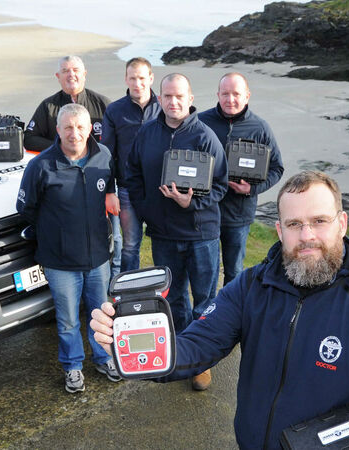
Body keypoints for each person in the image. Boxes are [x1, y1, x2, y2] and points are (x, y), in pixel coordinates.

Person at [92, 170, 349, 449]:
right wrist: (133, 348)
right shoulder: (251, 286)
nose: (307, 236)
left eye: (319, 221)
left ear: (342, 223)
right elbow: (197, 345)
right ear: (280, 231)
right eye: (294, 224)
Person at [124, 73, 227, 390]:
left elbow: (220, 185)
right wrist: (146, 210)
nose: (173, 102)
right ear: (160, 99)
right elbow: (132, 174)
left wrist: (191, 202)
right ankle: (184, 353)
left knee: (204, 300)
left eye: (179, 96)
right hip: (164, 235)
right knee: (175, 298)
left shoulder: (205, 137)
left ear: (190, 98)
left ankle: (203, 362)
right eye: (167, 96)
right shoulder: (146, 134)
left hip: (201, 234)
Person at [16, 103, 122, 393]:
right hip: (60, 261)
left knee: (101, 314)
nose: (74, 133)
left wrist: (110, 192)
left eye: (80, 127)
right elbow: (26, 208)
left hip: (98, 258)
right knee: (67, 321)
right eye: (68, 128)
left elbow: (109, 183)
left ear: (89, 129)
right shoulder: (41, 166)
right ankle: (73, 366)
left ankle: (104, 358)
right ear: (58, 130)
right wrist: (54, 232)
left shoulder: (104, 156)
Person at [24, 56, 121, 278]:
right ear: (58, 76)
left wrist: (111, 189)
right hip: (62, 179)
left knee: (114, 236)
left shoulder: (103, 104)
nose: (71, 75)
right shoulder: (48, 106)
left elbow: (116, 145)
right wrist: (63, 148)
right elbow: (29, 138)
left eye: (76, 70)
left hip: (100, 178)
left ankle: (114, 278)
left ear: (84, 74)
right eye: (66, 71)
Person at [199, 72, 284, 286]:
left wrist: (251, 190)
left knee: (234, 271)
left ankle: (231, 306)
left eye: (236, 94)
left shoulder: (260, 128)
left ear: (247, 96)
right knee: (206, 271)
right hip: (205, 211)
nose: (230, 99)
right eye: (225, 94)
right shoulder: (201, 122)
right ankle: (208, 308)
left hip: (239, 214)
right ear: (218, 95)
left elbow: (277, 168)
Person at [101, 57, 161, 273]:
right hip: (127, 190)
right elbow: (106, 154)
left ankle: (163, 286)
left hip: (160, 190)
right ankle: (129, 288)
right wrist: (110, 191)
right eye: (133, 78)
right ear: (126, 79)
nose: (138, 84)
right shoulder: (114, 110)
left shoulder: (165, 107)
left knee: (163, 243)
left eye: (142, 78)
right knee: (130, 246)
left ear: (151, 78)